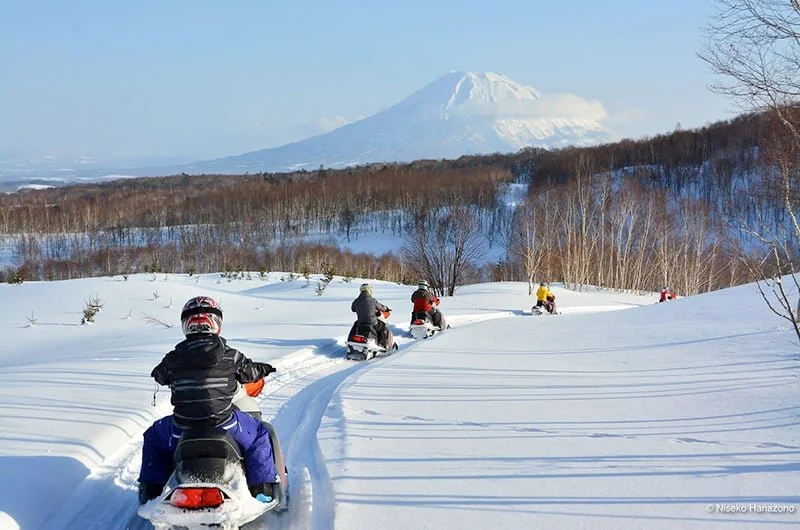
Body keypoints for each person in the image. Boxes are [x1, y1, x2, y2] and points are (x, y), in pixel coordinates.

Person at [137, 296, 278, 504]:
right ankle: (262, 491)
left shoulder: (173, 358)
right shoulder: (230, 356)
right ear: (216, 323)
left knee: (153, 436)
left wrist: (163, 373)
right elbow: (250, 373)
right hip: (224, 424)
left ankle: (151, 493)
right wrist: (264, 368)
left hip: (181, 427)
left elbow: (160, 375)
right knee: (260, 434)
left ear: (186, 325)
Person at [350, 283, 391, 348]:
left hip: (361, 322)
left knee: (355, 325)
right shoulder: (373, 300)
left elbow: (353, 309)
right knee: (383, 326)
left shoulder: (356, 301)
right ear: (369, 291)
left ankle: (350, 340)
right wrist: (386, 308)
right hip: (372, 323)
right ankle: (382, 344)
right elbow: (381, 307)